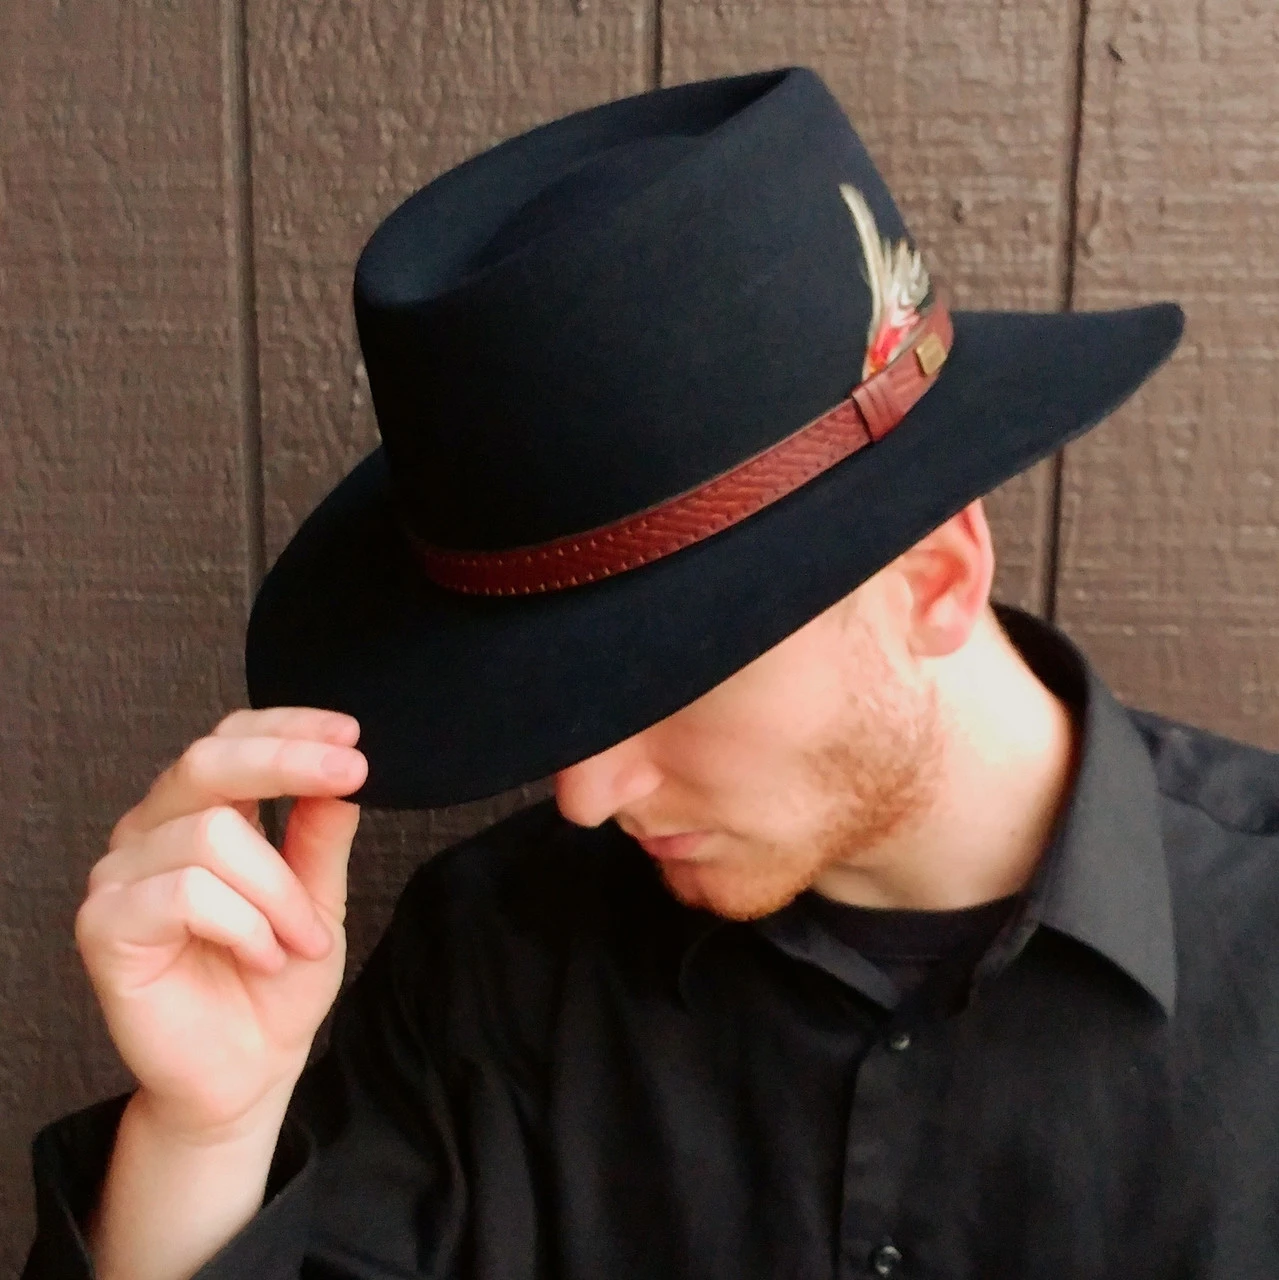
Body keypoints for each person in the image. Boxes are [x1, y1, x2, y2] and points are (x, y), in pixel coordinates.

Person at [22, 66, 1279, 1280]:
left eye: (666, 676)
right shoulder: (495, 963)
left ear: (935, 580)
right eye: (559, 698)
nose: (583, 793)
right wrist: (207, 1135)